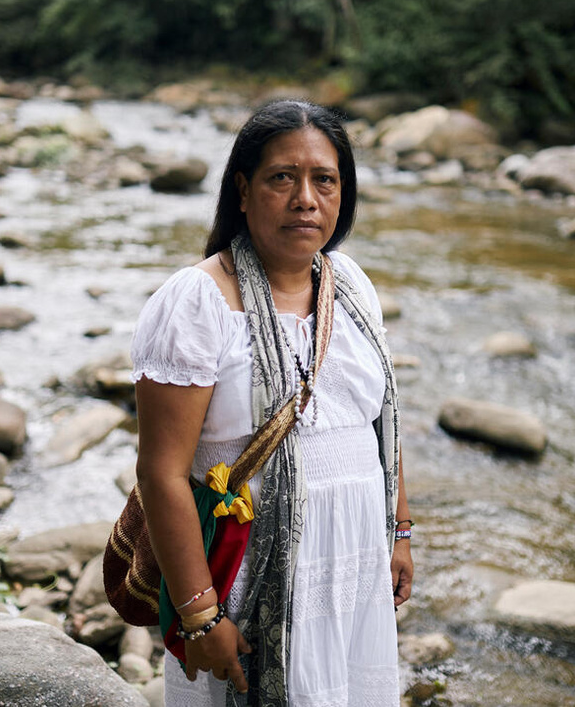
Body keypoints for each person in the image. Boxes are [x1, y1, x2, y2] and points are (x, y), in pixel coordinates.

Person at [130, 99, 413, 706]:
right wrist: (202, 618)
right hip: (244, 579)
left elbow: (377, 424)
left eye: (325, 180)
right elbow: (162, 473)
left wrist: (401, 532)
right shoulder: (198, 303)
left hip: (354, 566)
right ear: (242, 188)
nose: (305, 199)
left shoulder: (352, 286)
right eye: (282, 177)